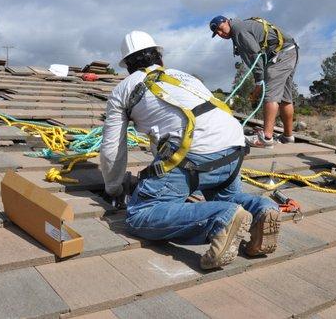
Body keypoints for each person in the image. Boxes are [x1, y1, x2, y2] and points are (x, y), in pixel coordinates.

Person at [100, 30, 281, 270]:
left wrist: (113, 187)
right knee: (223, 197)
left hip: (193, 158)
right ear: (159, 59)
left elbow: (112, 147)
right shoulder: (185, 77)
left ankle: (222, 220)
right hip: (234, 148)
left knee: (140, 215)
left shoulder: (123, 89)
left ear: (128, 67)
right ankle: (262, 210)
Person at [210, 15, 299, 149]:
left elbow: (255, 57)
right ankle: (287, 136)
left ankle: (266, 138)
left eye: (220, 29)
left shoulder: (239, 30)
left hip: (282, 54)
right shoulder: (242, 26)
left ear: (227, 21)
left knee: (270, 93)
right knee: (285, 97)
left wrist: (259, 82)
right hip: (290, 51)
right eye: (217, 33)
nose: (220, 33)